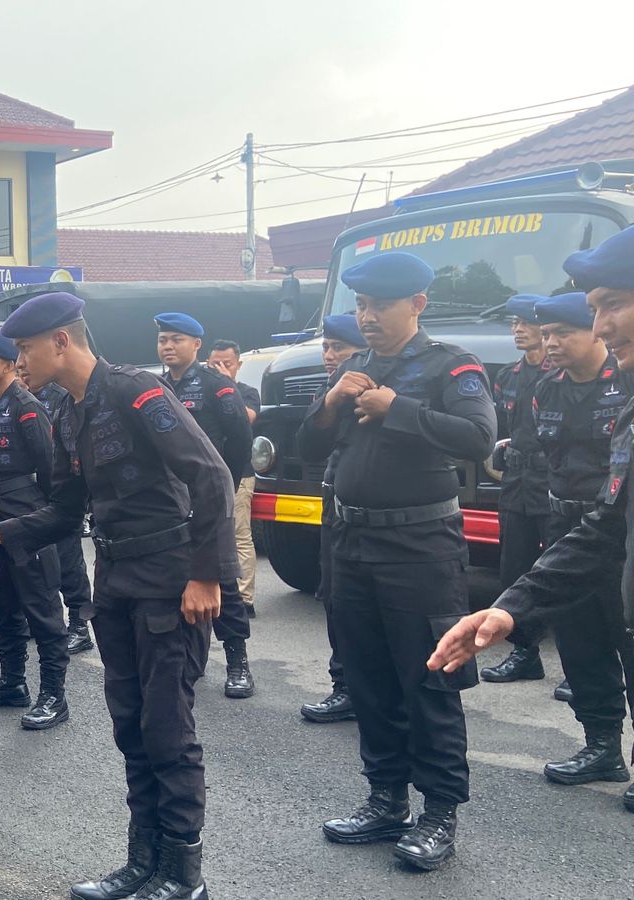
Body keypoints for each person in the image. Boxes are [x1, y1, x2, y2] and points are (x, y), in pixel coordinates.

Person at [0, 293, 233, 900]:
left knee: (167, 729)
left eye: (25, 349)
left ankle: (183, 874)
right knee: (131, 727)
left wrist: (207, 575)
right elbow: (66, 511)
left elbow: (211, 475)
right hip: (116, 582)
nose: (19, 361)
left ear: (61, 341)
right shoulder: (68, 413)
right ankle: (142, 861)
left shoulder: (135, 391)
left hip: (169, 581)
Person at [297, 251, 495, 872]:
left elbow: (478, 438)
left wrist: (397, 409)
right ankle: (385, 798)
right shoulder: (355, 367)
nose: (368, 317)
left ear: (417, 304)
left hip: (420, 547)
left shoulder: (451, 365)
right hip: (352, 544)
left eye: (380, 305)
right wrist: (331, 402)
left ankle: (439, 812)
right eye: (361, 305)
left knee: (430, 678)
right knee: (368, 676)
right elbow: (309, 445)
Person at [430, 223, 634, 817]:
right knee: (584, 649)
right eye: (594, 310)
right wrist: (509, 607)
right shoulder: (553, 390)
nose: (601, 326)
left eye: (612, 305)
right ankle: (602, 745)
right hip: (576, 532)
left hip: (600, 542)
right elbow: (609, 520)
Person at [522, 291, 634, 784]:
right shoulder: (545, 388)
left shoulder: (624, 382)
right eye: (547, 334)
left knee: (627, 639)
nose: (551, 343)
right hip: (565, 526)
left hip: (617, 533)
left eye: (563, 333)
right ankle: (602, 746)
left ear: (593, 332)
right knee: (578, 639)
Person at [0, 331, 72, 729]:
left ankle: (54, 695)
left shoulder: (27, 406)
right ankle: (12, 683)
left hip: (26, 515)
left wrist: (46, 519)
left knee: (42, 610)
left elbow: (51, 469)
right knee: (4, 605)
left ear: (9, 364)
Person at [157, 313, 256, 700]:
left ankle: (237, 662)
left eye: (176, 339)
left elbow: (240, 439)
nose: (168, 346)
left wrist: (223, 486)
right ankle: (187, 658)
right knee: (176, 578)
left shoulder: (217, 385)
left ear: (197, 345)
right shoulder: (156, 386)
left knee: (221, 578)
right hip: (169, 499)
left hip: (207, 495)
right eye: (163, 339)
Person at [481, 295, 558, 687]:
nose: (517, 329)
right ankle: (525, 653)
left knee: (561, 571)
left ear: (545, 328)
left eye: (526, 322)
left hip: (553, 483)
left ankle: (580, 664)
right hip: (516, 484)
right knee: (514, 570)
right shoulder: (507, 377)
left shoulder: (560, 374)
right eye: (514, 322)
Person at [300, 314, 368, 725]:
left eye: (339, 347)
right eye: (326, 347)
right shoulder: (330, 388)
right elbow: (307, 444)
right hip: (333, 501)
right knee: (334, 596)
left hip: (372, 509)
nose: (329, 355)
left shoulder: (371, 386)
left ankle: (369, 689)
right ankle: (344, 686)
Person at [38, 378, 96, 655]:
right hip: (35, 497)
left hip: (60, 494)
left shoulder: (60, 398)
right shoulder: (8, 399)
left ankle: (79, 625)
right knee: (41, 566)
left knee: (68, 563)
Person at [205, 339, 260, 617]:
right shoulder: (203, 390)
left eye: (227, 363)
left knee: (239, 535)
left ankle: (244, 597)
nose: (220, 368)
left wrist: (228, 387)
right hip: (208, 474)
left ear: (238, 364)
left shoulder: (247, 392)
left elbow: (246, 418)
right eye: (215, 363)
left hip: (240, 473)